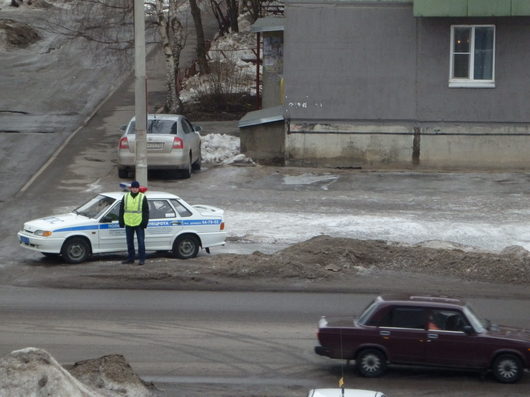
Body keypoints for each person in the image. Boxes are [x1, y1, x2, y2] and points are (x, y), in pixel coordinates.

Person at [119, 181, 149, 265]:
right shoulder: (125, 197)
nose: (135, 189)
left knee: (141, 242)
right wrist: (121, 221)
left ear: (138, 188)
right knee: (129, 242)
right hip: (128, 222)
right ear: (131, 188)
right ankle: (131, 258)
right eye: (133, 188)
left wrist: (144, 222)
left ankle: (142, 259)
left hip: (139, 223)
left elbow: (146, 211)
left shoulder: (142, 197)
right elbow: (121, 210)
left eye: (136, 188)